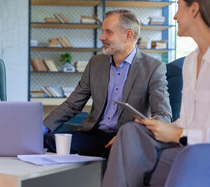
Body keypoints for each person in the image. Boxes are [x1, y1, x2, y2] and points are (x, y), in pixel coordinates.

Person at [96, 0, 210, 187]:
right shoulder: (191, 61)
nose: (175, 16)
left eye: (179, 7)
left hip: (200, 155)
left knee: (125, 165)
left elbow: (190, 132)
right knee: (131, 131)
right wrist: (165, 127)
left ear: (195, 9)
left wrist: (177, 135)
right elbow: (188, 120)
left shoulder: (156, 66)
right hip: (183, 148)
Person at [43, 9, 172, 158]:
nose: (102, 37)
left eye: (109, 32)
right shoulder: (95, 63)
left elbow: (163, 115)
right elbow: (72, 104)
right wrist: (44, 127)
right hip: (93, 136)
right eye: (103, 31)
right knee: (46, 142)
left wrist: (132, 134)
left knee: (123, 152)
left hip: (126, 139)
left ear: (128, 35)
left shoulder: (153, 68)